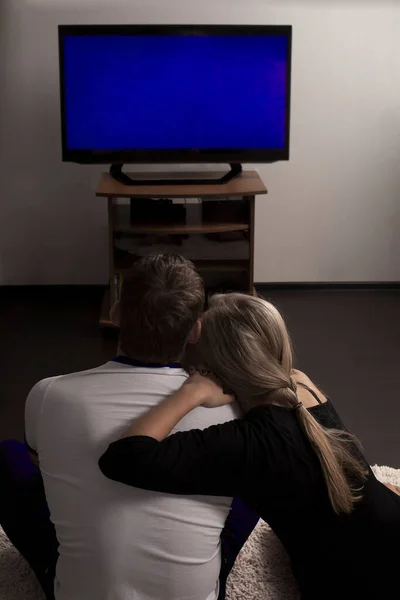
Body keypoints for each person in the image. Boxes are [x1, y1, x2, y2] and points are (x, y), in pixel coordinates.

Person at [99, 293, 400, 600]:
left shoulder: (246, 443)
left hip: (353, 583)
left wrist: (190, 393)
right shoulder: (303, 385)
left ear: (215, 363)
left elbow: (123, 458)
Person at [0, 254, 257, 600]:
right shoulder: (231, 408)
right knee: (252, 477)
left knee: (7, 458)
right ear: (196, 329)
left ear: (116, 312)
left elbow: (42, 473)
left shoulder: (48, 394)